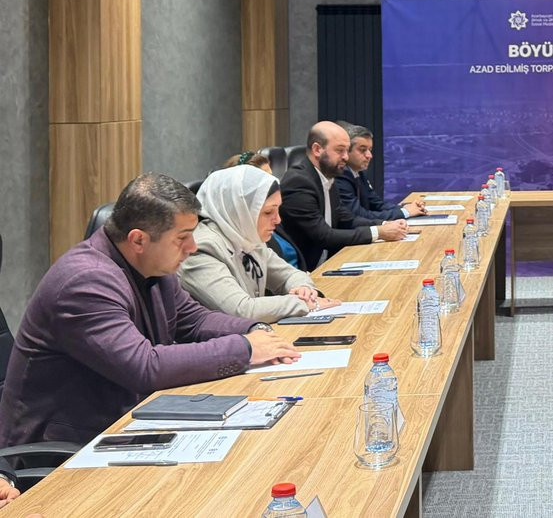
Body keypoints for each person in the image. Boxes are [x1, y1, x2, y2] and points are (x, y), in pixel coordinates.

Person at [0, 174, 300, 446]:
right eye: (182, 237)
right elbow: (145, 367)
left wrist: (254, 330)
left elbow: (195, 320)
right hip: (60, 450)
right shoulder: (85, 281)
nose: (192, 247)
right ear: (138, 239)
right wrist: (245, 348)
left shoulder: (151, 266)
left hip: (125, 424)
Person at [179, 166, 341, 322]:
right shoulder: (201, 248)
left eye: (278, 209)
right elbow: (241, 310)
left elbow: (290, 275)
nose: (278, 220)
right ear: (239, 210)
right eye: (268, 212)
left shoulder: (246, 236)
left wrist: (305, 290)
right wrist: (302, 303)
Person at [280, 121, 408, 268]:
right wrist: (378, 232)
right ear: (317, 149)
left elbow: (347, 219)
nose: (346, 157)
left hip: (331, 262)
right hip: (308, 271)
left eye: (347, 151)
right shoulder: (298, 182)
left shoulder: (328, 176)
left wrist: (386, 225)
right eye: (340, 150)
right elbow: (324, 236)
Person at [334, 124, 426, 225]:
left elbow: (377, 204)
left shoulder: (358, 172)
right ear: (347, 151)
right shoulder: (341, 176)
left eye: (370, 150)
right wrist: (405, 212)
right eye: (362, 150)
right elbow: (359, 215)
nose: (369, 155)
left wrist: (405, 208)